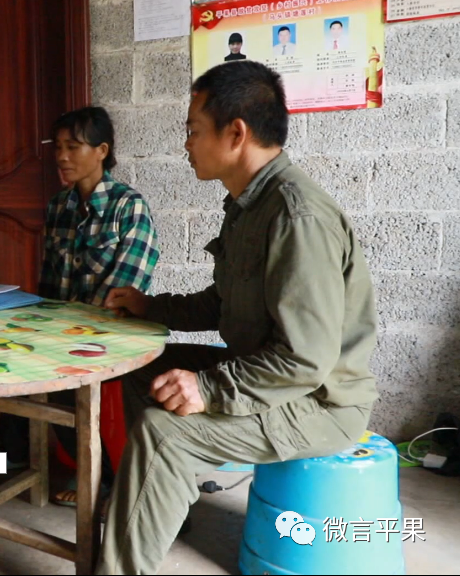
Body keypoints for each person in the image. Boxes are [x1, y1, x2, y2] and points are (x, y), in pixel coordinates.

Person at [97, 61, 378, 574]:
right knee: (144, 370)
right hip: (267, 376)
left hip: (319, 402)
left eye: (192, 130)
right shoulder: (249, 205)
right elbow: (223, 302)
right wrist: (148, 306)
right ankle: (158, 502)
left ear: (236, 133)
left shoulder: (297, 216)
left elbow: (303, 361)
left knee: (165, 432)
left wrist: (209, 389)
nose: (186, 144)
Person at [0, 106, 159, 507]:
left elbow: (122, 296)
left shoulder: (128, 207)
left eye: (73, 147)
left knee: (62, 383)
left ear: (101, 150)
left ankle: (105, 478)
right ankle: (10, 460)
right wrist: (32, 325)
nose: (61, 156)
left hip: (110, 332)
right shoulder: (58, 207)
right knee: (7, 369)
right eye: (58, 147)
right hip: (60, 328)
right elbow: (49, 286)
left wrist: (60, 331)